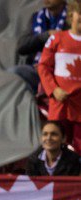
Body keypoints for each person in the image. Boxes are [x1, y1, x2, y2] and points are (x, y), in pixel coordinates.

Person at [38, 0, 81, 152]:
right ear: (71, 15)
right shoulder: (56, 39)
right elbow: (43, 66)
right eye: (79, 13)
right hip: (59, 105)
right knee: (55, 148)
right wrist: (54, 90)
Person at [12, 0, 68, 94]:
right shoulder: (37, 17)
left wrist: (46, 66)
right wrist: (46, 36)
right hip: (36, 70)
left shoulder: (73, 19)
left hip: (61, 72)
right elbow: (21, 46)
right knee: (13, 74)